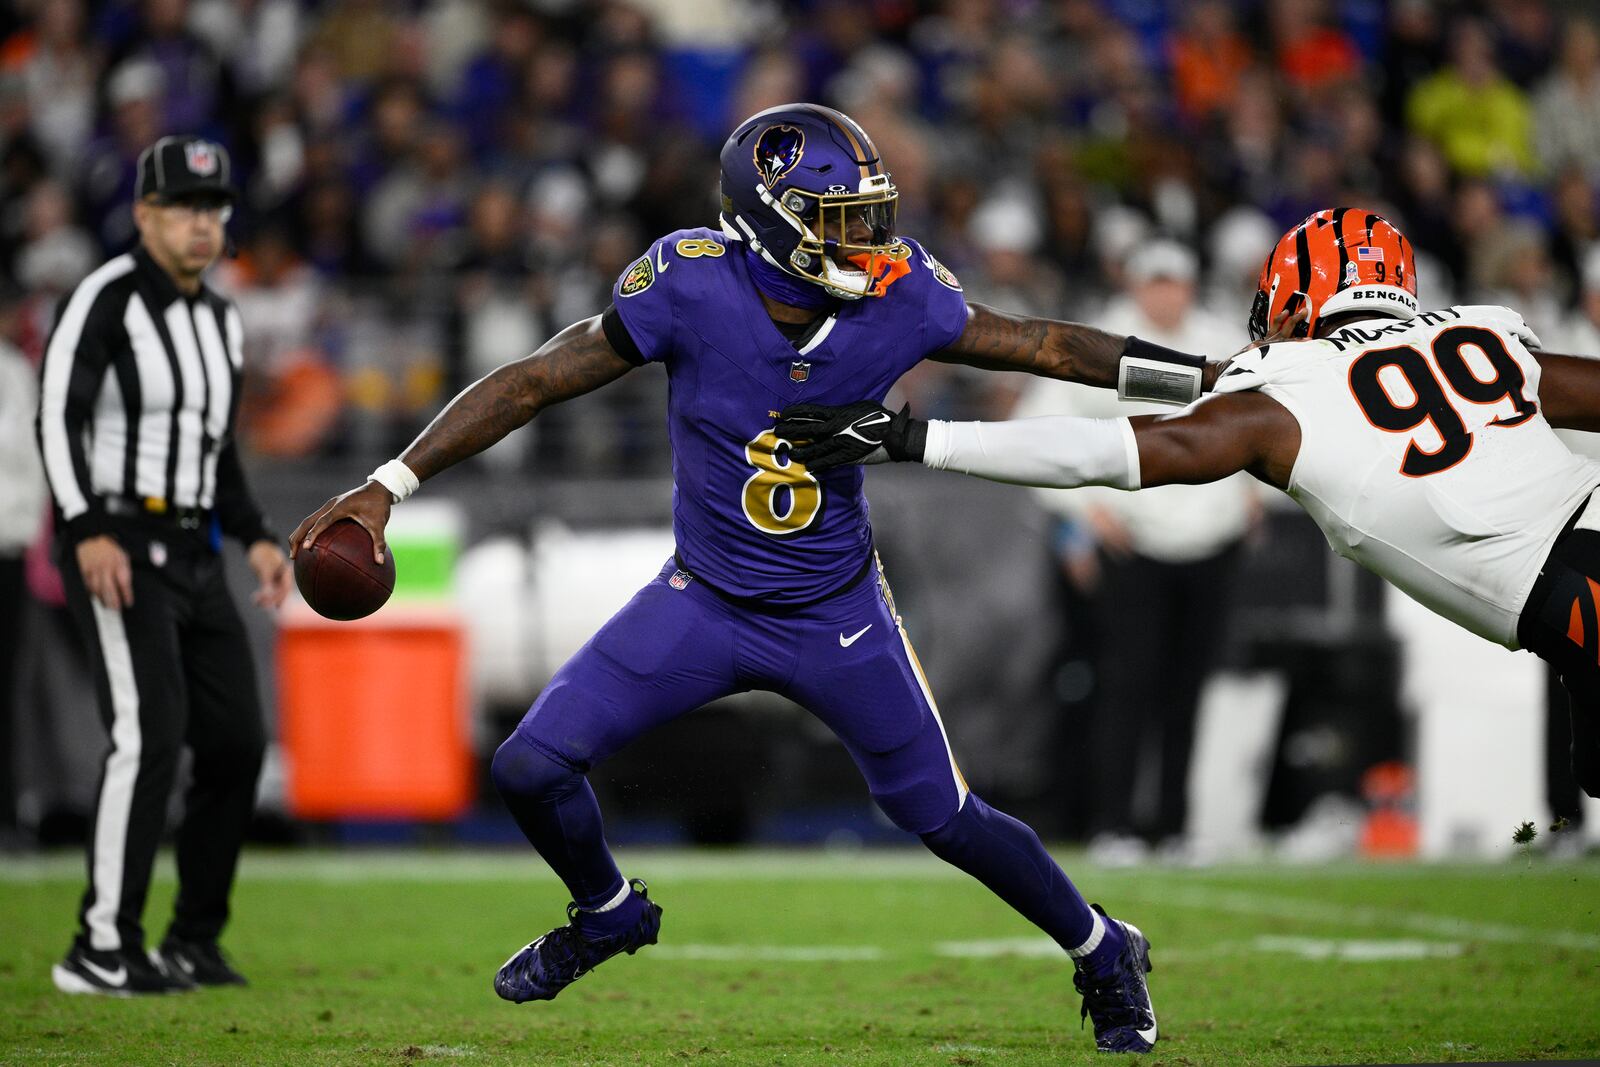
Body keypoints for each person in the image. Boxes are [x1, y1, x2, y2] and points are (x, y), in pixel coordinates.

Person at [287, 104, 1235, 1055]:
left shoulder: (903, 293)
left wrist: (1202, 378)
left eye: (869, 213)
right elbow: (538, 378)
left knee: (941, 816)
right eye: (839, 218)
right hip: (704, 599)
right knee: (530, 766)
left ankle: (1102, 946)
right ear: (769, 220)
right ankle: (608, 910)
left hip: (835, 611)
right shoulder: (690, 283)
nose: (868, 237)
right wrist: (387, 482)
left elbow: (1048, 346)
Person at [777, 208, 1600, 809]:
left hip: (1570, 596)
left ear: (1295, 294)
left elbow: (1111, 453)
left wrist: (917, 438)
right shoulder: (1484, 336)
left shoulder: (1283, 396)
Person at [36, 135, 292, 995]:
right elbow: (57, 420)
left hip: (195, 549)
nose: (202, 226)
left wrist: (254, 532)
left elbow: (215, 448)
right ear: (144, 214)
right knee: (148, 734)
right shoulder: (103, 301)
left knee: (235, 741)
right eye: (184, 208)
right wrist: (84, 528)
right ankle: (101, 943)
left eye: (214, 210)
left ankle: (192, 937)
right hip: (117, 546)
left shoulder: (219, 317)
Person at [1012, 240, 1258, 863]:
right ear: (1137, 285)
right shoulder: (1104, 339)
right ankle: (1115, 823)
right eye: (1156, 282)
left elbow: (1265, 420)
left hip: (1210, 539)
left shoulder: (1220, 342)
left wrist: (1256, 493)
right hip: (1133, 540)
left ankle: (1174, 825)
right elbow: (1039, 427)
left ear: (1190, 286)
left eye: (1175, 281)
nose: (1165, 294)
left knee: (1188, 687)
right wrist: (1080, 514)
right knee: (1126, 685)